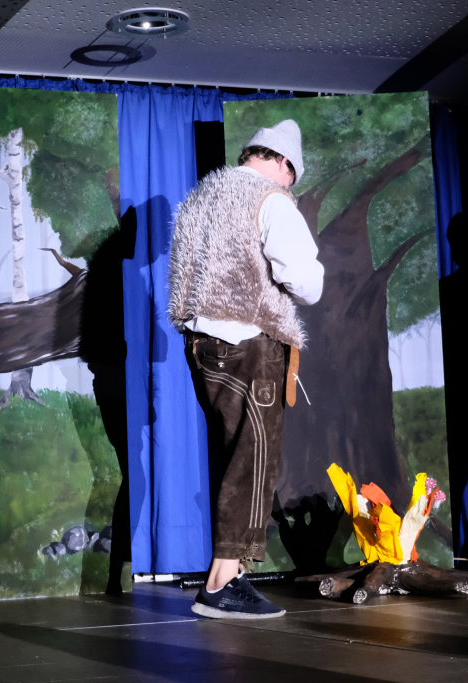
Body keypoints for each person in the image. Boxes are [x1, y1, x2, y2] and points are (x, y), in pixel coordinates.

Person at [167, 119, 324, 619]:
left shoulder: (200, 198)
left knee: (234, 454)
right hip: (248, 343)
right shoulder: (270, 200)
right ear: (283, 163)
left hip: (201, 345)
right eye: (292, 176)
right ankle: (222, 581)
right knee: (253, 459)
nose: (290, 186)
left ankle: (227, 575)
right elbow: (306, 283)